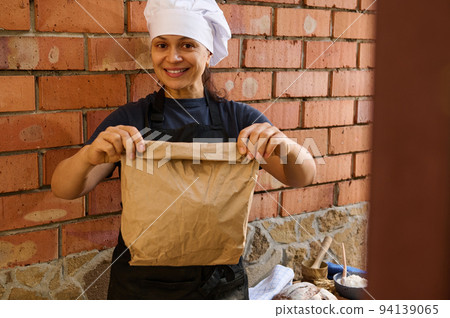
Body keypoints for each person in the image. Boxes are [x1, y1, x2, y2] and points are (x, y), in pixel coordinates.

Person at [51, 0, 316, 299]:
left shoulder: (239, 121)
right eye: (161, 45)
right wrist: (89, 156)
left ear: (208, 51)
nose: (172, 57)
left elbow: (301, 177)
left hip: (220, 285)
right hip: (140, 285)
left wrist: (286, 145)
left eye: (187, 45)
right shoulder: (131, 120)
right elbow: (65, 188)